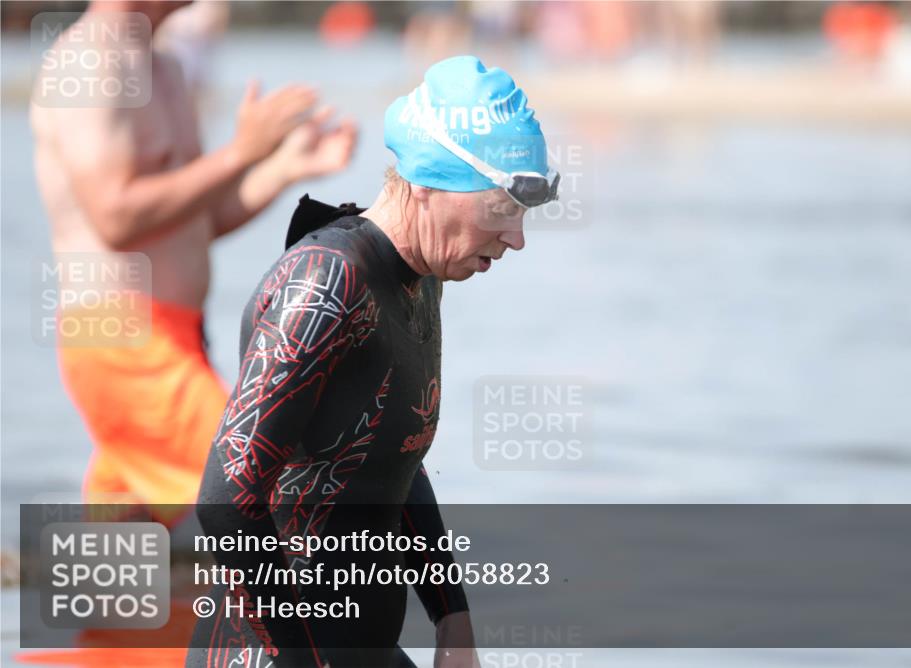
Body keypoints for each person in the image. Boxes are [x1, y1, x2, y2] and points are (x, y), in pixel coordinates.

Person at [189, 55, 558, 667]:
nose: (516, 237)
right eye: (500, 208)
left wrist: (452, 619)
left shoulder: (421, 275)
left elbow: (391, 452)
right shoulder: (325, 286)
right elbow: (226, 500)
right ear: (426, 185)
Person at [30, 0, 357, 509]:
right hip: (125, 342)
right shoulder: (90, 63)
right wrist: (240, 153)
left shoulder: (165, 65)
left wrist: (283, 168)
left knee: (125, 558)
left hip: (177, 336)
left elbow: (193, 221)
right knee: (295, 490)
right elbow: (115, 218)